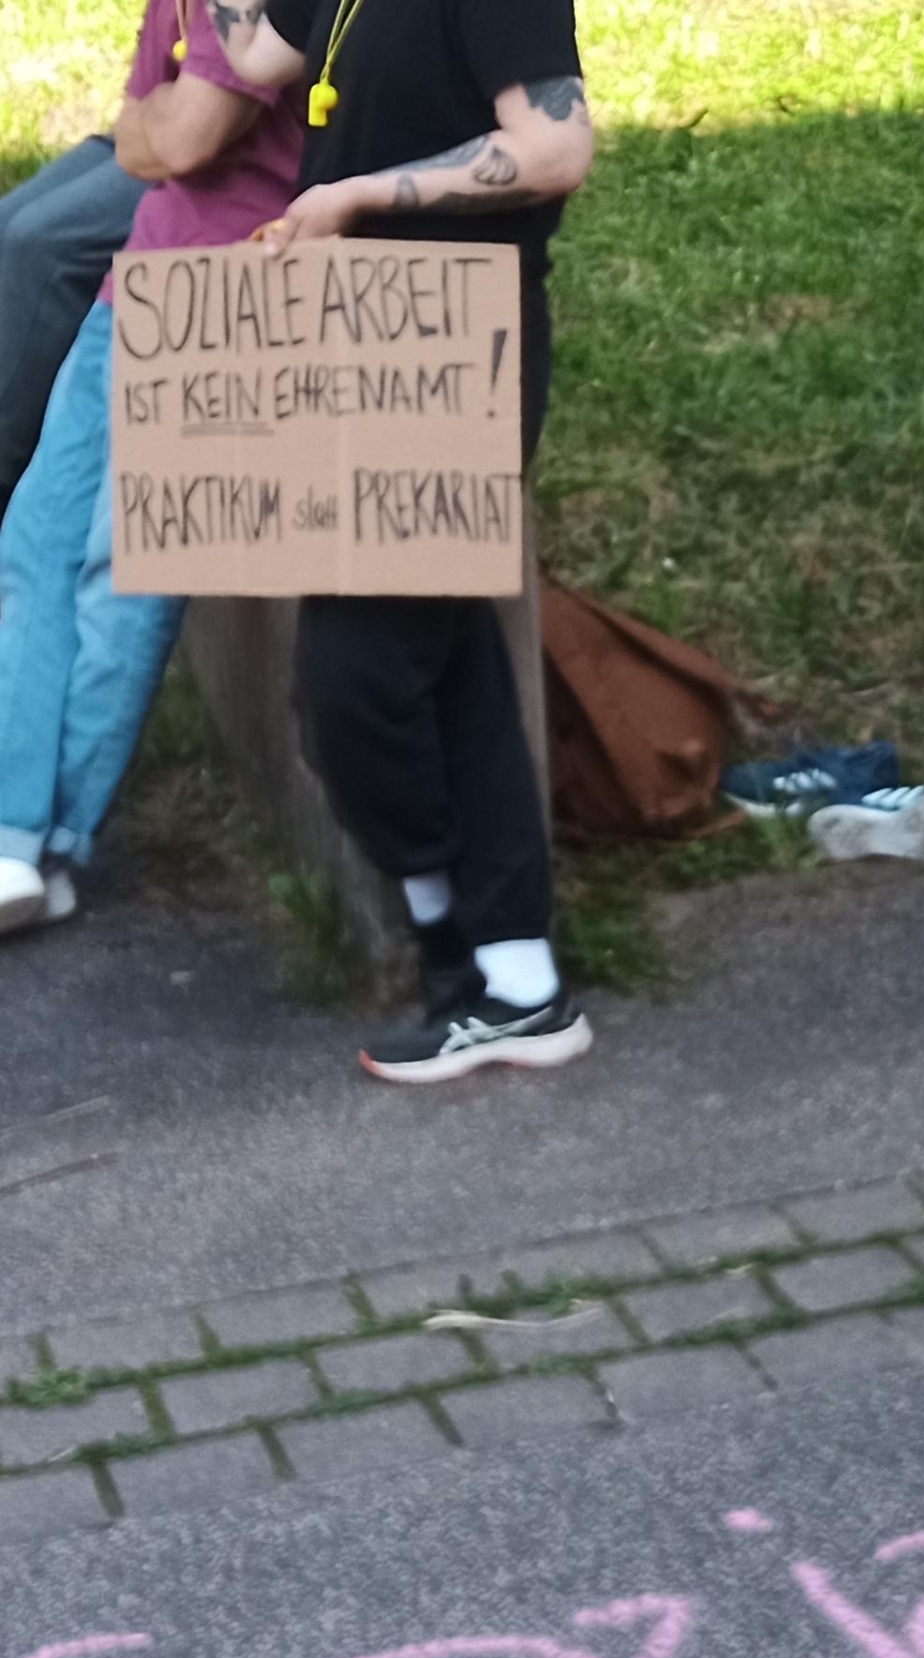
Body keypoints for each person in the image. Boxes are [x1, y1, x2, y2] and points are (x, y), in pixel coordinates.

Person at [208, 0, 595, 1083]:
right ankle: (513, 979)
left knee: (354, 679)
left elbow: (557, 145)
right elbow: (255, 53)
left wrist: (358, 195)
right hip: (353, 338)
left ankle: (451, 946)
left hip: (454, 344)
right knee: (449, 663)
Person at [0, 1, 302, 938]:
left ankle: (51, 843)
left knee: (123, 566)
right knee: (36, 539)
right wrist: (159, 127)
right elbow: (146, 138)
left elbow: (186, 130)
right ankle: (11, 830)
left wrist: (162, 125)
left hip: (223, 293)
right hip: (137, 272)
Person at [0, 133, 147, 527]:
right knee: (8, 225)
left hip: (226, 139)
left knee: (37, 246)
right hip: (165, 118)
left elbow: (188, 141)